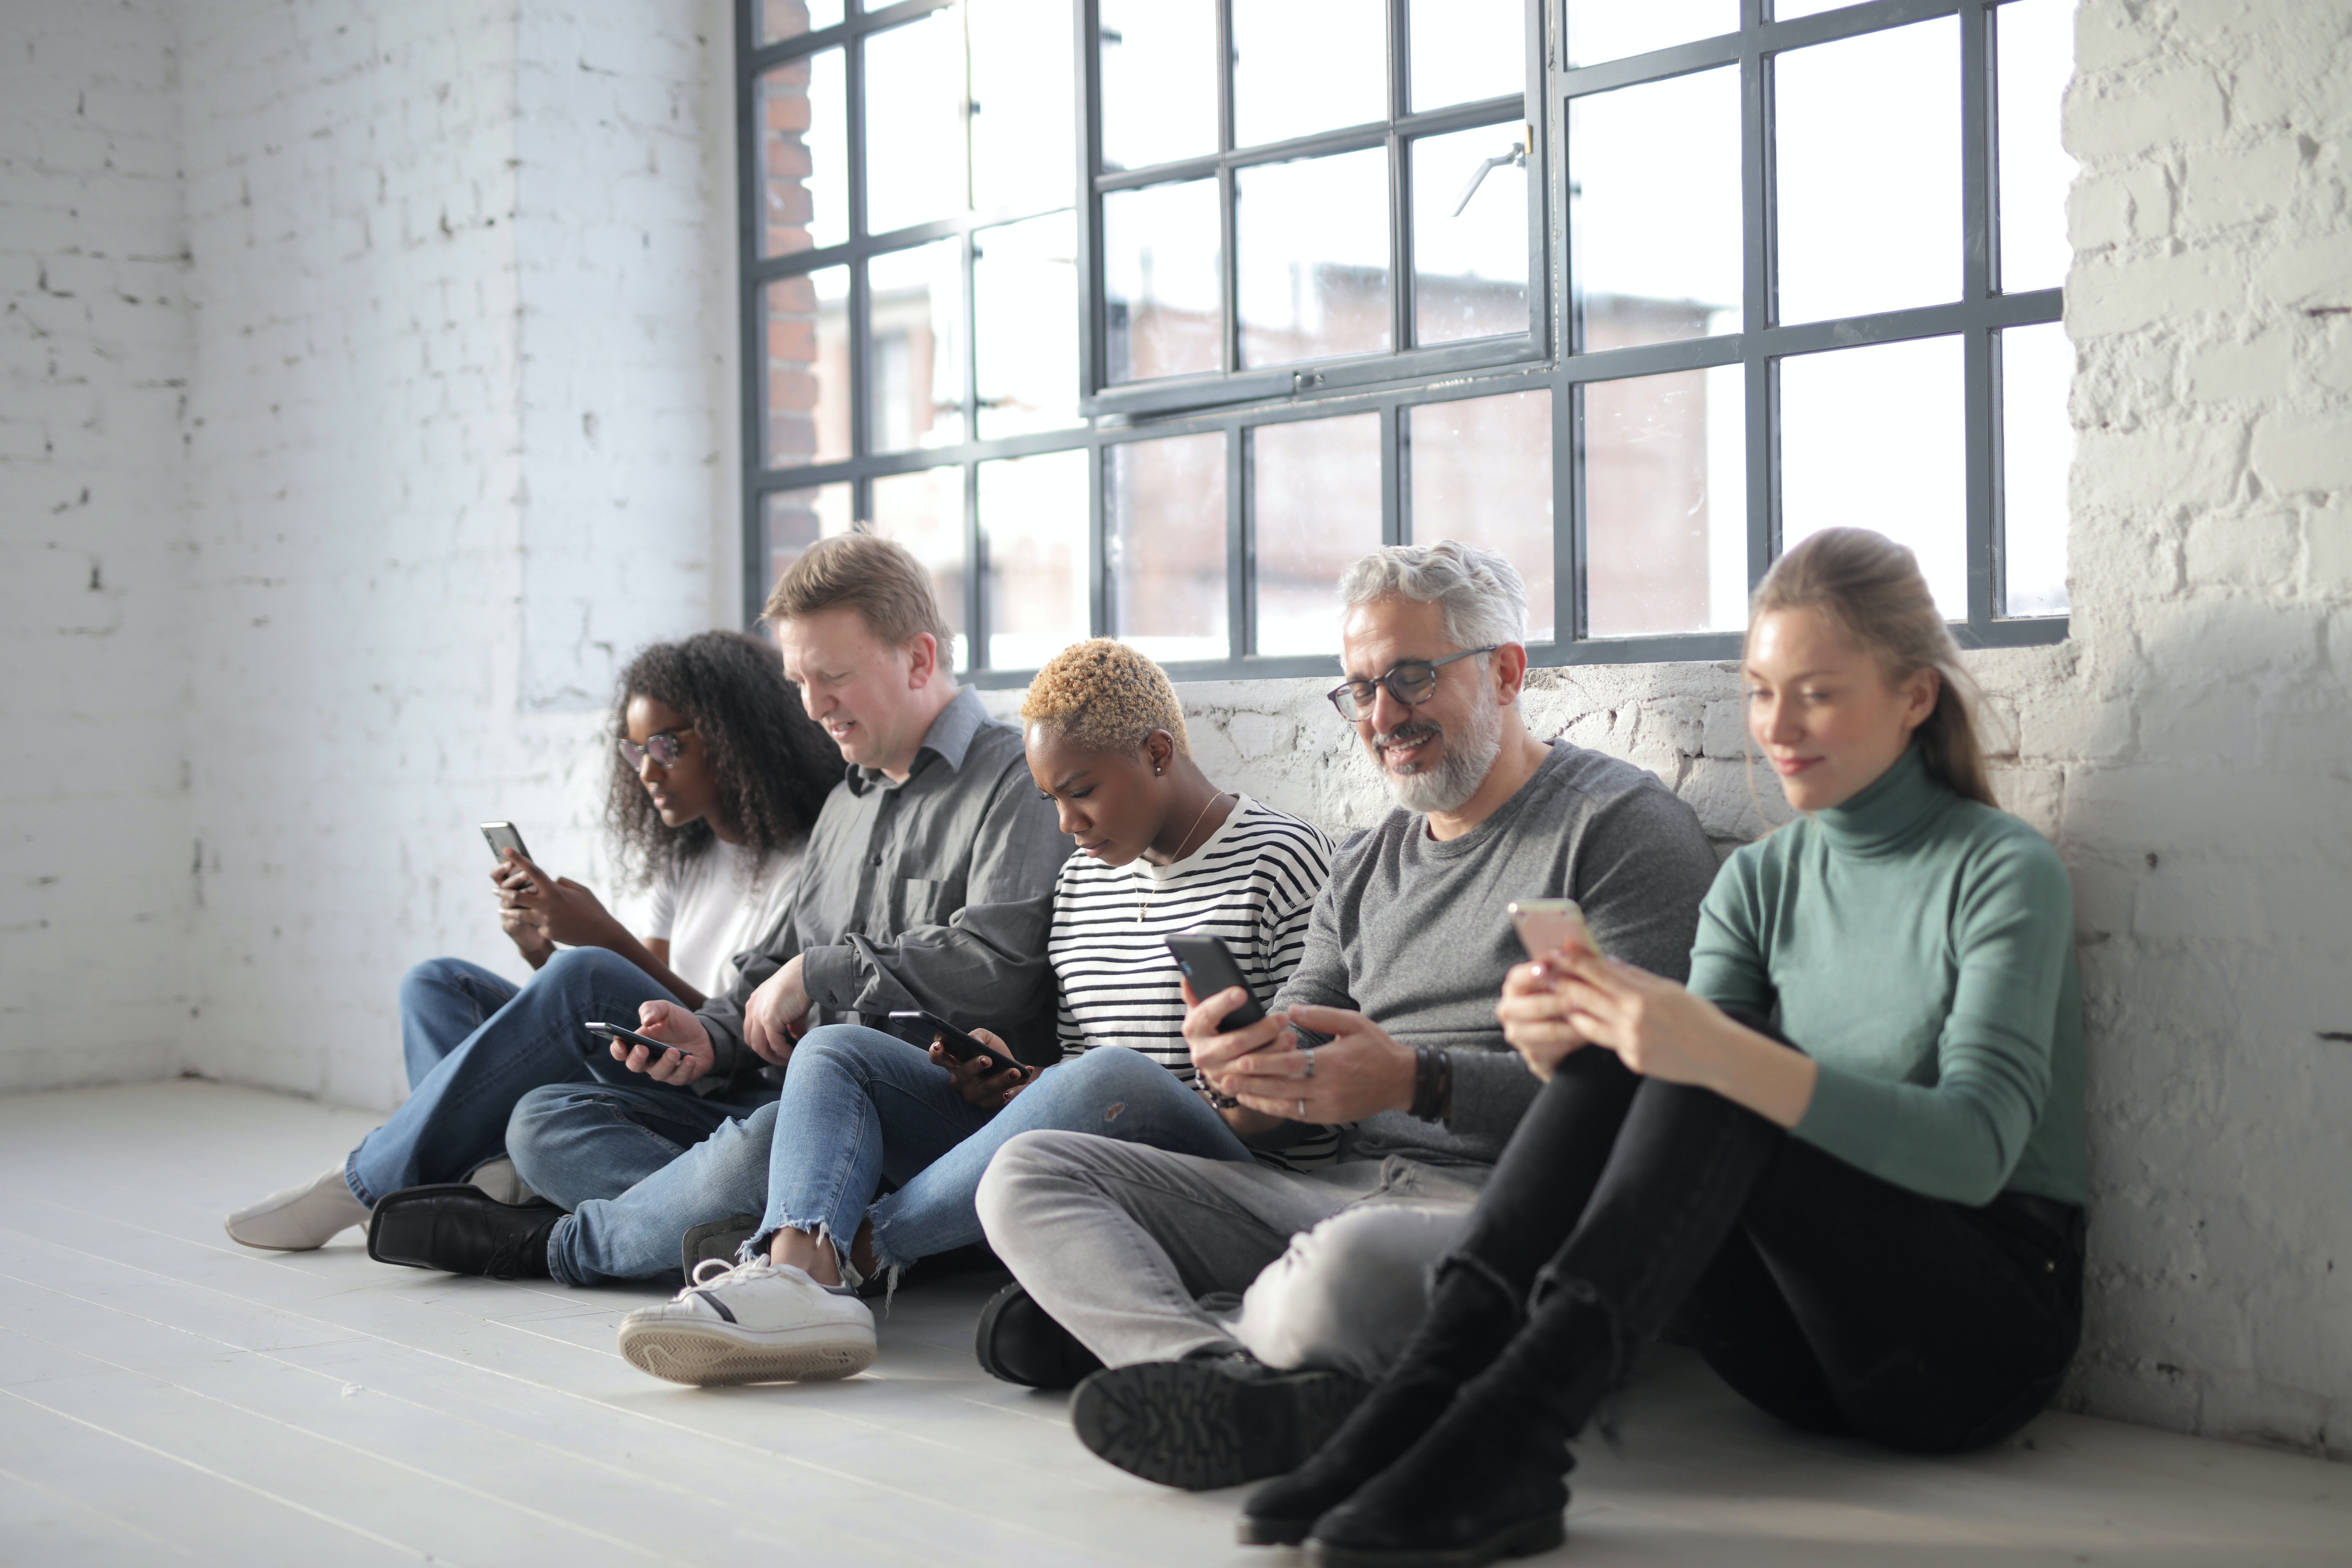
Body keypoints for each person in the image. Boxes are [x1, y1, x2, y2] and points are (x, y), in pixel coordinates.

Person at [1237, 527, 2086, 1567]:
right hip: (1791, 1358)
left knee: (1708, 1043)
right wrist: (1576, 1053)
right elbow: (1676, 1129)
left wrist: (1710, 1051)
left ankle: (1507, 1434)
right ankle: (1425, 1398)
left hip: (1969, 1347)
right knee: (1635, 1045)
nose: (1778, 727)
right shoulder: (1758, 881)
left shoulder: (2002, 870)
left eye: (1816, 693)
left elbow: (1974, 1152)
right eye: (1761, 691)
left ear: (1915, 696)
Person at [973, 541, 1722, 1491]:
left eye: (1409, 680)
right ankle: (1222, 1382)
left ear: (1505, 671)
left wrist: (1421, 1082)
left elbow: (1652, 1107)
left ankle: (1186, 1334)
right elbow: (1289, 1068)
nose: (1381, 717)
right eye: (1359, 690)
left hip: (1515, 1218)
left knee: (1341, 1272)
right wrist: (1238, 1067)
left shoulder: (1616, 829)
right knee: (1028, 1172)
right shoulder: (1367, 864)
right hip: (1350, 1194)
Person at [603, 639, 1340, 1385]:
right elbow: (1078, 1077)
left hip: (1227, 1177)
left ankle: (857, 1254)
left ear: (1156, 753)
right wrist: (1021, 1084)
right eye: (1050, 799)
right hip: (1073, 1164)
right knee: (836, 1050)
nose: (1067, 825)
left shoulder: (1281, 858)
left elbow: (1314, 1117)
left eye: (1081, 791)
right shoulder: (1086, 882)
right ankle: (799, 1270)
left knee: (1114, 1075)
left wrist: (1232, 1081)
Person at [355, 532, 1071, 1278]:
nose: (813, 706)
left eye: (832, 677)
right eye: (799, 680)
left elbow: (999, 969)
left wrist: (820, 971)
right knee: (545, 1120)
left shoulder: (1014, 779)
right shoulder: (845, 803)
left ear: (920, 659)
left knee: (772, 1139)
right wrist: (710, 1035)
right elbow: (767, 969)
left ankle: (562, 1244)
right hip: (794, 1104)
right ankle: (778, 1232)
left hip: (928, 1116)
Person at [223, 630, 836, 1250]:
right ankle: (475, 1179)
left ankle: (367, 1181)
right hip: (657, 1063)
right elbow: (649, 1014)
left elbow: (731, 1035)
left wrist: (600, 937)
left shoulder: (810, 861)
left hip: (730, 1087)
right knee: (437, 984)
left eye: (667, 745)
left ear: (739, 737)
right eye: (633, 751)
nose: (648, 770)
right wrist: (542, 953)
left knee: (589, 975)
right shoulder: (688, 857)